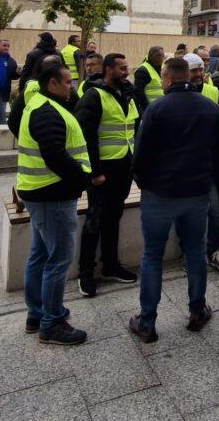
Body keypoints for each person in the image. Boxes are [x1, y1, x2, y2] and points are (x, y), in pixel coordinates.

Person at [129, 57, 219, 342]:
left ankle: (147, 322)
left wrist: (144, 183)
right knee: (195, 251)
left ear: (169, 78)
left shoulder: (157, 108)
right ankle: (197, 310)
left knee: (152, 255)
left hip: (160, 194)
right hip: (196, 193)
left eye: (162, 77)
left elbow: (141, 153)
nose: (161, 81)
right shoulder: (209, 107)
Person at [16, 60, 91, 345]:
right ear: (53, 83)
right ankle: (51, 323)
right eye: (68, 82)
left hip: (40, 192)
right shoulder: (47, 112)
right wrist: (81, 179)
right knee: (58, 260)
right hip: (52, 194)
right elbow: (55, 155)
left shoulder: (39, 104)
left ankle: (37, 313)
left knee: (40, 254)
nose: (72, 86)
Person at [74, 53, 139, 297]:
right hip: (103, 170)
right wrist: (95, 171)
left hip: (124, 167)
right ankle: (86, 272)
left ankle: (110, 265)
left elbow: (133, 129)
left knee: (114, 217)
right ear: (108, 69)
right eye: (122, 68)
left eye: (127, 67)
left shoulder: (128, 94)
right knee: (95, 220)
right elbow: (85, 136)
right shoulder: (94, 95)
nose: (126, 72)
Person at [185, 52, 219, 270]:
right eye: (193, 70)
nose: (198, 73)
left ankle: (213, 250)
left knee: (216, 209)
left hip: (210, 162)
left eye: (200, 69)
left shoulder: (213, 91)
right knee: (190, 211)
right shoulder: (178, 94)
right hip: (188, 165)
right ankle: (190, 254)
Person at [133, 46, 166, 112]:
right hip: (150, 108)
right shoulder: (142, 70)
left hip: (159, 107)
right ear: (155, 57)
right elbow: (139, 93)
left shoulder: (159, 67)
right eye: (162, 56)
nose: (163, 58)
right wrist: (147, 108)